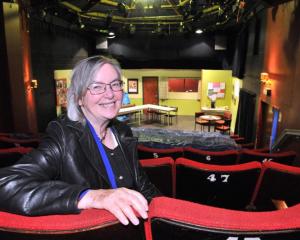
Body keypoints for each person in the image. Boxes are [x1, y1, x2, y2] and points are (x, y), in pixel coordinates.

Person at [0, 56, 160, 226]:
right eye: (97, 87)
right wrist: (90, 196)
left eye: (115, 84)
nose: (110, 94)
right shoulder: (63, 136)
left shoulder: (122, 132)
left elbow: (145, 188)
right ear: (79, 98)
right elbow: (5, 184)